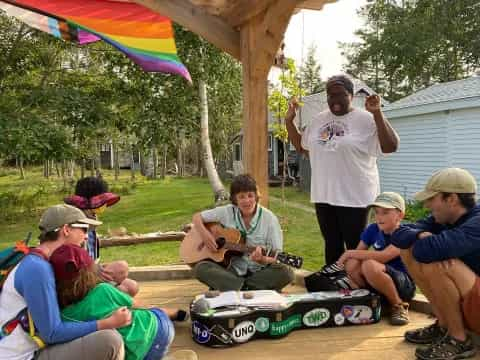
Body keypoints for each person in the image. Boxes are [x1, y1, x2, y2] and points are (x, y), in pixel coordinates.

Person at [285, 74, 399, 265]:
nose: (335, 100)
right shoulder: (318, 120)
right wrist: (289, 122)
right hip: (324, 194)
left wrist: (377, 113)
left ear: (351, 96)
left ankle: (357, 291)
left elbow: (391, 146)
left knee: (355, 249)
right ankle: (332, 290)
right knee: (332, 245)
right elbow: (303, 148)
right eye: (331, 95)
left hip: (355, 197)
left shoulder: (365, 119)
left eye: (340, 95)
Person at [0, 204, 130, 360]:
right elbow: (52, 333)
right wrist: (106, 322)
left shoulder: (39, 260)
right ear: (66, 230)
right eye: (84, 229)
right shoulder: (37, 269)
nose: (87, 236)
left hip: (33, 348)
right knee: (110, 341)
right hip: (21, 356)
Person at [391, 168, 480, 360]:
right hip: (473, 299)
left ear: (451, 199)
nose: (427, 204)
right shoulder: (443, 218)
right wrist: (419, 234)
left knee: (437, 260)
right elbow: (398, 234)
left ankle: (459, 339)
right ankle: (444, 326)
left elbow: (428, 251)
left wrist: (423, 240)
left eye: (432, 198)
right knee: (407, 249)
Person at [49, 243, 194, 360]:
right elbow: (139, 307)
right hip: (160, 331)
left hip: (131, 354)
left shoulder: (64, 316)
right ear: (89, 272)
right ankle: (175, 313)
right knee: (152, 312)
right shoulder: (103, 290)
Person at [191, 174, 294, 291]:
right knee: (200, 268)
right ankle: (248, 289)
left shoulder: (270, 219)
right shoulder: (227, 212)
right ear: (235, 199)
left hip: (259, 272)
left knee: (286, 272)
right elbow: (197, 217)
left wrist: (262, 259)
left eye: (250, 195)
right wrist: (206, 236)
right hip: (231, 270)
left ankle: (234, 287)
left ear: (256, 196)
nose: (247, 201)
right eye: (241, 197)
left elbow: (276, 256)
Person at [337, 192, 416, 325]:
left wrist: (349, 252)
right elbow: (358, 253)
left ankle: (399, 306)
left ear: (400, 215)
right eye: (377, 212)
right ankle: (371, 300)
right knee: (352, 263)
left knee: (369, 265)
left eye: (385, 212)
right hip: (380, 280)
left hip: (404, 285)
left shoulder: (405, 233)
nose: (379, 217)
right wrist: (349, 258)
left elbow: (383, 256)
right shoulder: (373, 229)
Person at [64, 176, 138, 297]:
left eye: (102, 206)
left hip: (91, 275)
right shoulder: (74, 227)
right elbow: (70, 268)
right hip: (79, 283)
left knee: (131, 286)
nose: (100, 211)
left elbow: (92, 258)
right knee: (123, 273)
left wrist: (99, 269)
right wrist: (94, 270)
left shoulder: (91, 223)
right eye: (99, 206)